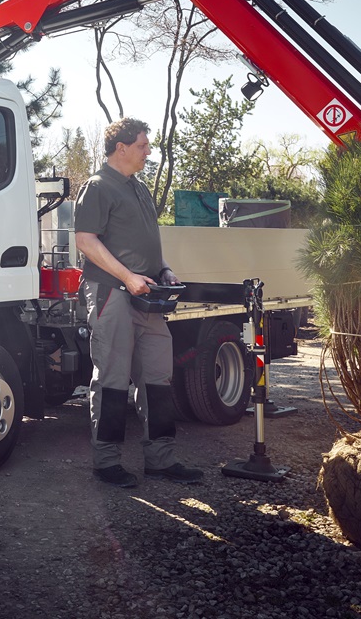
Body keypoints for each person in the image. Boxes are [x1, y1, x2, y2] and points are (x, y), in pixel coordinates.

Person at [74, 117, 204, 488]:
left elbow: (147, 240)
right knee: (113, 380)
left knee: (158, 378)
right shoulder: (97, 187)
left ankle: (161, 460)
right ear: (122, 148)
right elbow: (86, 241)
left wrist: (163, 270)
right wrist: (127, 277)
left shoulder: (140, 188)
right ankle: (107, 463)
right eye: (144, 145)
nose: (149, 152)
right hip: (111, 295)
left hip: (149, 297)